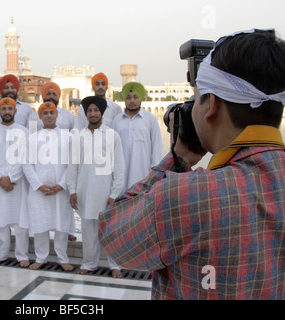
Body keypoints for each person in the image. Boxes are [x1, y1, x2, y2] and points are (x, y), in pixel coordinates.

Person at [98, 29, 285, 299]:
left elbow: (113, 238)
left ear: (211, 106)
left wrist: (177, 159)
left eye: (196, 99)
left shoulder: (186, 196)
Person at [67, 96, 125, 278]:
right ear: (85, 114)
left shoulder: (112, 136)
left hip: (105, 192)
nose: (93, 113)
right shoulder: (79, 137)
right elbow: (72, 166)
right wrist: (72, 191)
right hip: (84, 191)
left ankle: (115, 264)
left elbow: (119, 167)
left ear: (102, 112)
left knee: (110, 231)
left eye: (96, 110)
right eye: (89, 111)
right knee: (88, 230)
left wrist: (114, 193)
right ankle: (89, 263)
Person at [23, 102, 74, 271]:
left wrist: (61, 184)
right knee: (40, 224)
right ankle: (41, 257)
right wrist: (38, 185)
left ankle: (62, 257)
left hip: (61, 190)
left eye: (52, 112)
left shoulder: (68, 137)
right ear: (40, 116)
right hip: (40, 191)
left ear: (57, 115)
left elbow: (72, 165)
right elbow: (27, 164)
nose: (49, 116)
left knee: (62, 223)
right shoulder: (32, 138)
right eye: (45, 113)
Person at [0, 97, 30, 267]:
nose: (7, 112)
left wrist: (10, 178)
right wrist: (1, 178)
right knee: (0, 218)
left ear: (15, 111)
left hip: (17, 183)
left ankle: (22, 255)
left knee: (20, 220)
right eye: (4, 109)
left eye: (10, 109)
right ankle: (2, 254)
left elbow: (25, 157)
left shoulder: (24, 132)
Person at [112, 82, 163, 191]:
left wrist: (155, 173)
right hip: (121, 175)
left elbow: (157, 147)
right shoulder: (117, 120)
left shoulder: (150, 119)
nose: (132, 101)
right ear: (124, 99)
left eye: (135, 97)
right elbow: (111, 149)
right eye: (128, 97)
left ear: (141, 98)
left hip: (144, 174)